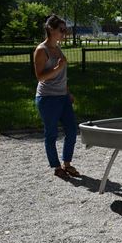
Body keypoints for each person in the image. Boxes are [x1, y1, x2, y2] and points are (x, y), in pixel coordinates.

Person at [33, 14, 80, 179]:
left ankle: (67, 163)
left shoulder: (58, 48)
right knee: (51, 134)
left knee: (72, 131)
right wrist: (57, 68)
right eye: (61, 30)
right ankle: (56, 166)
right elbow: (40, 76)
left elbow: (62, 76)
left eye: (65, 30)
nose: (64, 33)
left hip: (62, 97)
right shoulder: (41, 50)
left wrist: (68, 92)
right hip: (47, 99)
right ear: (51, 30)